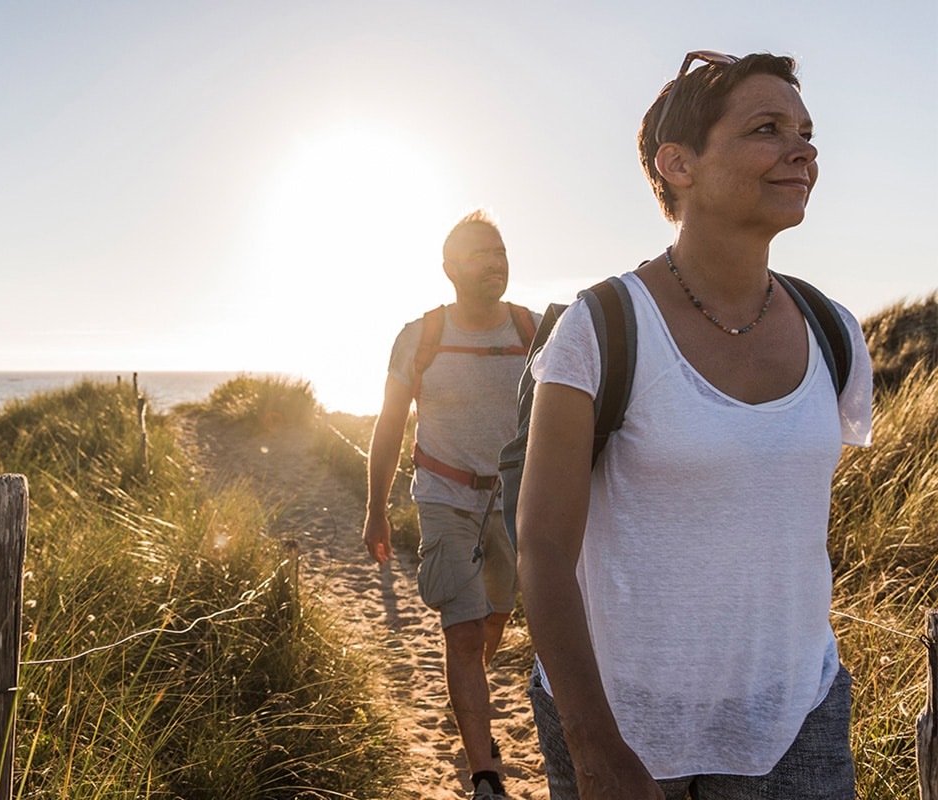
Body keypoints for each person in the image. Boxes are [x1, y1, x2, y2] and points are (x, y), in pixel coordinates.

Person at [516, 52, 874, 800]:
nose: (801, 149)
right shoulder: (602, 326)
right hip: (625, 723)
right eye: (766, 129)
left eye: (806, 131)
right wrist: (593, 746)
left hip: (796, 716)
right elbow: (544, 549)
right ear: (677, 164)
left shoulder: (834, 332)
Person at [363, 209, 541, 800]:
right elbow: (390, 426)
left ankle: (473, 698)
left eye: (501, 253)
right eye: (479, 255)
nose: (495, 264)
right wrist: (375, 507)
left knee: (495, 618)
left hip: (514, 504)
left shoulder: (534, 332)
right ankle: (484, 772)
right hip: (443, 497)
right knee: (462, 634)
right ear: (449, 270)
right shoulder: (420, 336)